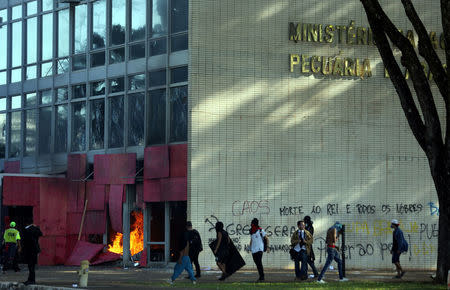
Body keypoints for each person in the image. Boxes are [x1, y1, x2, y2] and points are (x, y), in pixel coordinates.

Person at [21, 218, 43, 285]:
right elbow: (40, 234)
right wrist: (36, 227)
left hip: (29, 250)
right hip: (35, 250)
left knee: (30, 266)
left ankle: (31, 280)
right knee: (32, 265)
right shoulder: (35, 229)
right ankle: (31, 279)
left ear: (27, 223)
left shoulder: (26, 230)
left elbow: (25, 241)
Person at [249, 218, 269, 282]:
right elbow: (252, 239)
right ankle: (261, 276)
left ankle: (262, 277)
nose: (251, 224)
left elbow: (267, 238)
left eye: (252, 223)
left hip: (259, 249)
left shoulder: (261, 230)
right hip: (253, 249)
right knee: (257, 263)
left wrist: (267, 247)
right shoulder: (251, 231)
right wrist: (250, 247)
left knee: (259, 263)